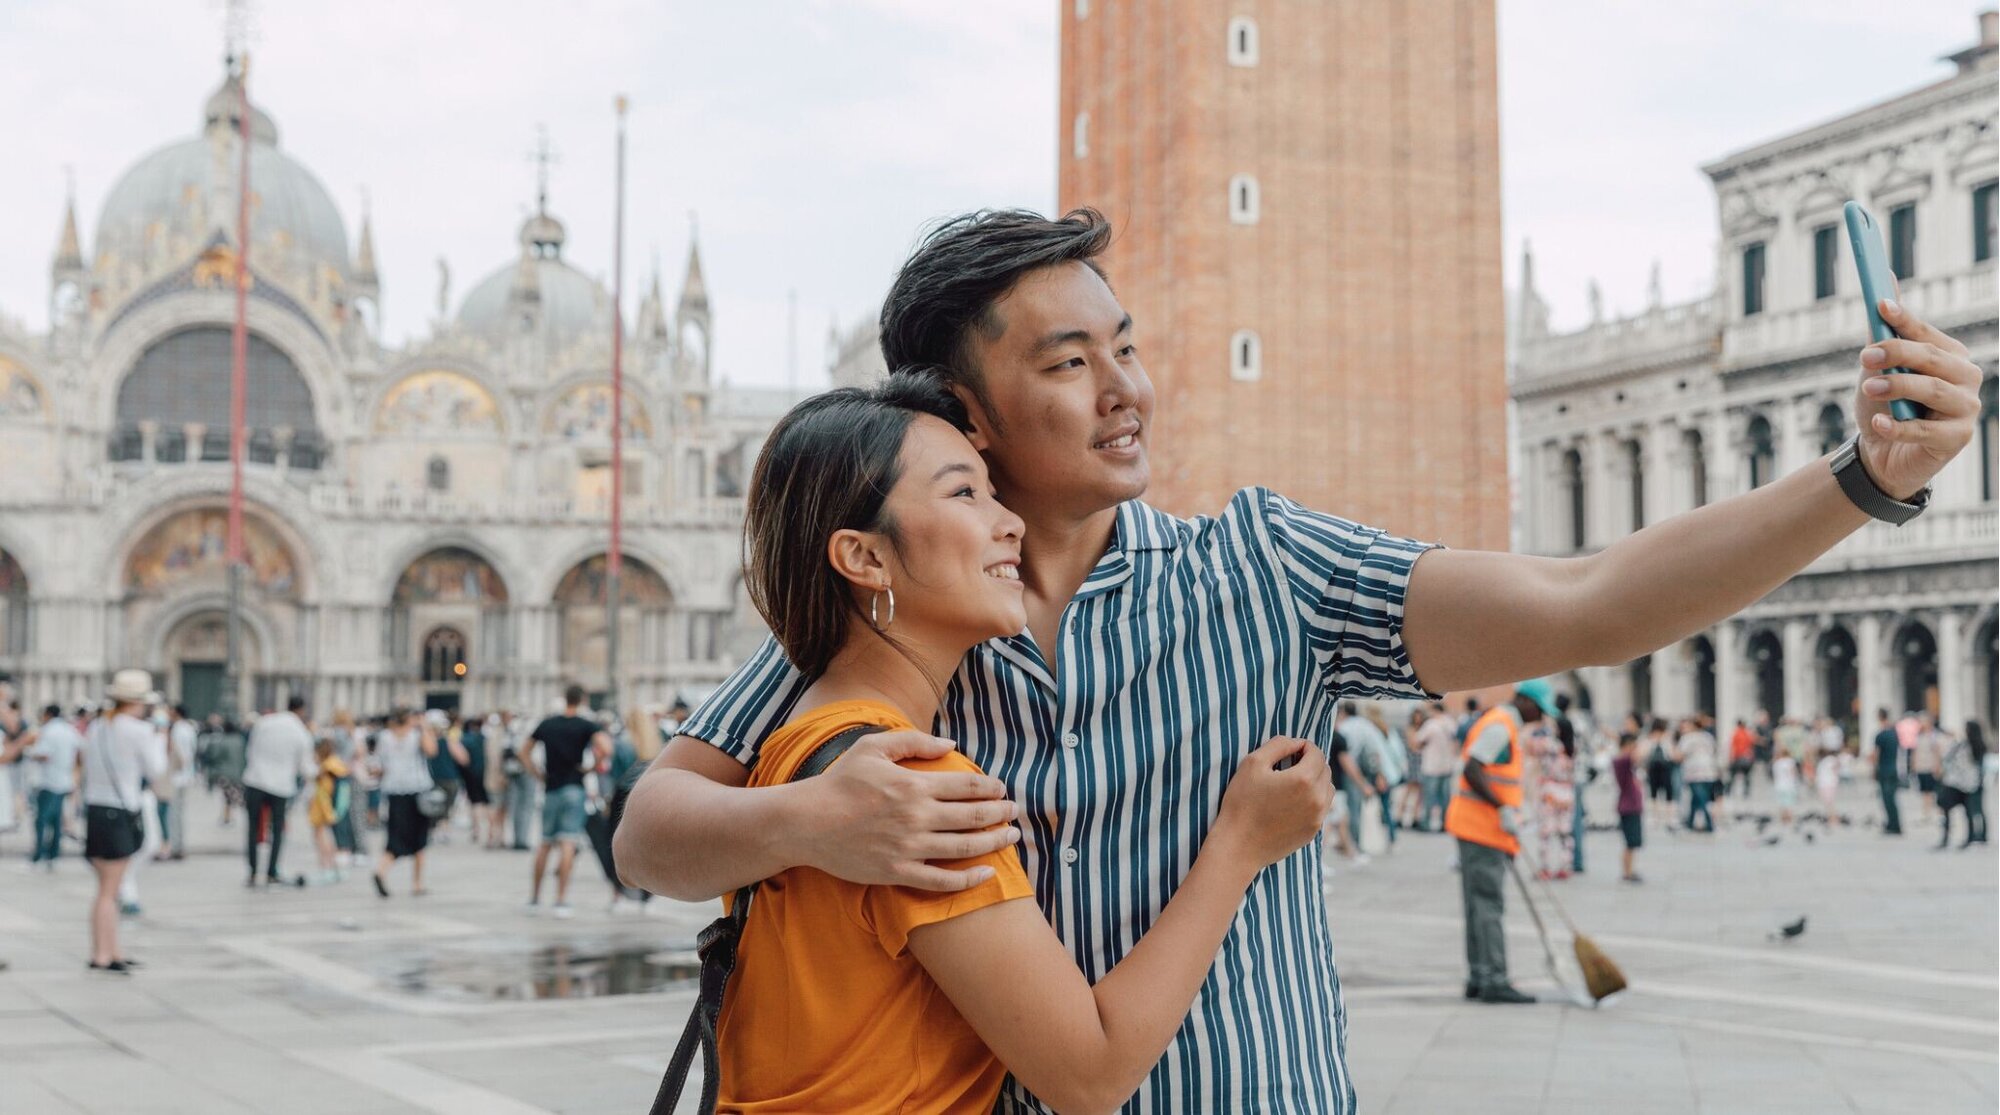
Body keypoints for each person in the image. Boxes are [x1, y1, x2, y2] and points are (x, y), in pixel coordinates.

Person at [616, 209, 1981, 1112]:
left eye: (1130, 348)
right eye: (1074, 361)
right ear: (962, 410)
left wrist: (1863, 482)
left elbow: (1583, 601)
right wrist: (808, 816)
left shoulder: (1267, 569)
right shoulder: (888, 626)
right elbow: (652, 832)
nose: (1128, 389)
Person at [708, 375, 1336, 1112]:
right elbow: (1090, 1073)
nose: (1012, 523)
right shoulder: (907, 788)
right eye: (965, 494)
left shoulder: (798, 745)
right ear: (865, 558)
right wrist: (1242, 844)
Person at [1447, 679, 1558, 1004]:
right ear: (1525, 701)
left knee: (1477, 905)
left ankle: (1479, 977)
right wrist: (1502, 808)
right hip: (1483, 828)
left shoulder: (1502, 723)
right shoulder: (1501, 725)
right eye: (1539, 709)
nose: (1539, 717)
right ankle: (1494, 978)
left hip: (1481, 828)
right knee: (1487, 905)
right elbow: (1473, 769)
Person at [80, 671, 168, 973]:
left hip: (95, 810)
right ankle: (103, 955)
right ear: (139, 702)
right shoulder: (137, 730)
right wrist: (160, 736)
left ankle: (109, 950)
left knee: (107, 889)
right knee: (110, 890)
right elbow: (157, 770)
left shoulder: (97, 727)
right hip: (119, 813)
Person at [525, 686, 611, 918]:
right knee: (567, 843)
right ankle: (561, 900)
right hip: (574, 787)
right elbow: (606, 747)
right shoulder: (585, 724)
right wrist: (590, 768)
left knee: (544, 843)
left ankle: (534, 898)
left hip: (550, 788)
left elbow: (524, 751)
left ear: (565, 699)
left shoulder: (548, 724)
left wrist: (537, 773)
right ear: (582, 700)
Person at [241, 695, 316, 887]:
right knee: (277, 829)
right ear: (301, 710)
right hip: (281, 785)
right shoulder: (301, 732)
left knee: (252, 827)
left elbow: (250, 749)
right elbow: (306, 768)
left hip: (255, 779)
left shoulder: (265, 722)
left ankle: (252, 871)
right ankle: (271, 871)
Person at [370, 708, 441, 897]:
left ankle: (381, 870)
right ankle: (417, 883)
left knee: (396, 836)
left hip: (393, 791)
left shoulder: (385, 737)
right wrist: (424, 727)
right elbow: (432, 750)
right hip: (416, 790)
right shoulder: (417, 734)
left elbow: (377, 766)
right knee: (419, 838)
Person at [25, 704, 82, 869]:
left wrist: (29, 753)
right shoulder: (69, 730)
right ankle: (54, 854)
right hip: (64, 780)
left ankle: (39, 855)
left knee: (42, 819)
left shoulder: (48, 731)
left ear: (48, 714)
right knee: (56, 820)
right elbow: (79, 751)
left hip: (48, 781)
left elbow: (44, 754)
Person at [1529, 709, 1575, 878]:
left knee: (1546, 832)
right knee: (1565, 833)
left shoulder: (1551, 745)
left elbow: (1532, 747)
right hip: (1566, 793)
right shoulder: (1573, 747)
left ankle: (1545, 867)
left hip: (1550, 791)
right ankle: (1565, 866)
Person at [305, 737, 349, 883]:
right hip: (328, 809)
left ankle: (327, 868)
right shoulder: (336, 764)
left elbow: (324, 791)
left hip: (323, 809)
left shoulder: (327, 768)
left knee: (322, 838)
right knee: (327, 838)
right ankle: (332, 868)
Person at [1414, 702, 1458, 833]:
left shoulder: (1430, 724)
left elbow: (1418, 740)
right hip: (1447, 765)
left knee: (1429, 796)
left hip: (1431, 765)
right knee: (1445, 797)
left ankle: (1426, 823)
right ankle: (1446, 823)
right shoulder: (1451, 723)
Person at [161, 704, 197, 860]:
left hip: (176, 777)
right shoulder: (189, 729)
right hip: (186, 776)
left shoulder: (176, 730)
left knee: (173, 814)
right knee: (178, 813)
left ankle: (174, 846)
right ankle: (178, 845)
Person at [1611, 731, 1644, 883]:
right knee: (1630, 842)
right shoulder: (1622, 760)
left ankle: (1629, 870)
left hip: (1631, 806)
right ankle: (1627, 872)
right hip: (1628, 806)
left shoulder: (1623, 761)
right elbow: (1634, 757)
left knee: (1632, 843)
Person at [1678, 717, 1720, 833]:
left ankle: (1709, 822)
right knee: (1697, 797)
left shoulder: (1687, 738)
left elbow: (1680, 755)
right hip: (1709, 771)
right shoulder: (1708, 737)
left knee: (1701, 798)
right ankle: (1690, 822)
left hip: (1694, 772)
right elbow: (1713, 751)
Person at [456, 712, 491, 846]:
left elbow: (461, 759)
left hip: (470, 775)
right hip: (485, 773)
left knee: (475, 802)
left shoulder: (465, 739)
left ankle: (476, 829)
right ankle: (489, 830)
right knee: (487, 802)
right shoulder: (484, 738)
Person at [1871, 708, 1903, 836]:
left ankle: (1893, 825)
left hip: (1884, 769)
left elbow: (1876, 755)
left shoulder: (1880, 735)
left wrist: (1874, 769)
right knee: (1892, 798)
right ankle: (1895, 823)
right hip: (1894, 768)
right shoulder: (1894, 733)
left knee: (1887, 798)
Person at [1643, 717, 1677, 829]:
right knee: (1653, 793)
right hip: (1655, 768)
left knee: (1668, 792)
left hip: (1664, 768)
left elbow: (1671, 753)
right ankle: (1655, 817)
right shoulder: (1650, 739)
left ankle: (1669, 818)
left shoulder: (1666, 738)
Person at [1727, 718, 1756, 799]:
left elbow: (1732, 746)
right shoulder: (1748, 733)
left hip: (1737, 757)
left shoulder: (1735, 733)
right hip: (1746, 758)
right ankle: (1746, 792)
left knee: (1732, 776)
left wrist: (1731, 757)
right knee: (1746, 776)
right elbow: (1752, 745)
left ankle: (1728, 790)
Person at [1772, 749, 1802, 828]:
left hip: (1779, 785)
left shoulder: (1777, 763)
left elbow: (1775, 775)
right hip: (1789, 785)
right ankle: (1789, 819)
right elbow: (1794, 773)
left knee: (1782, 804)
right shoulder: (1791, 761)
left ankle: (1783, 819)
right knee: (1789, 803)